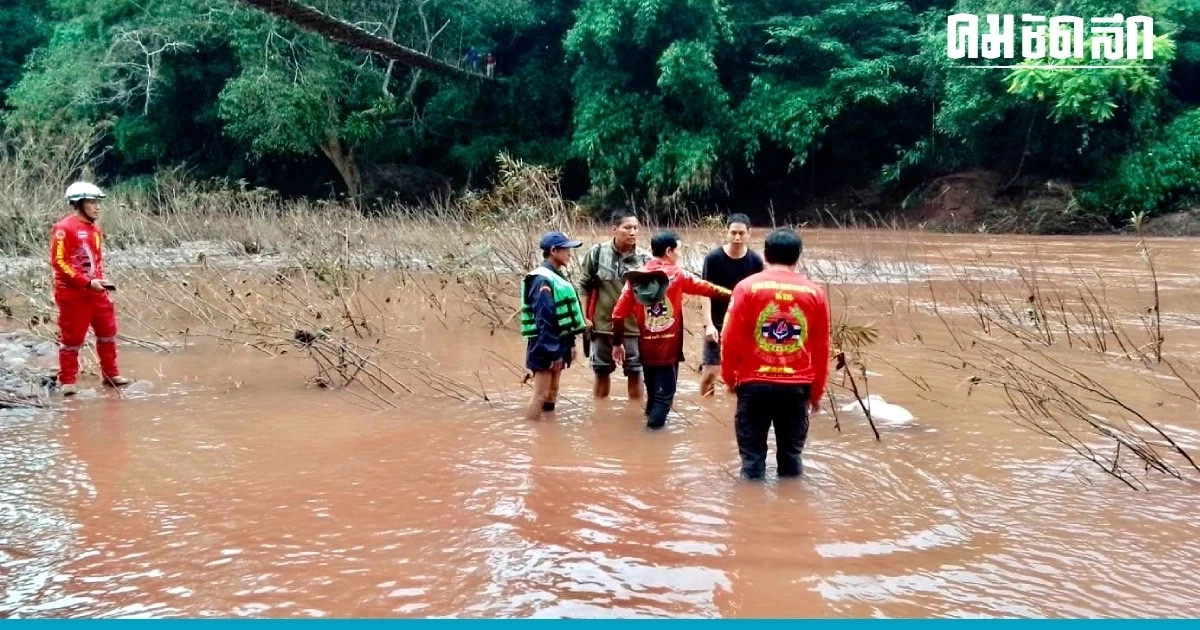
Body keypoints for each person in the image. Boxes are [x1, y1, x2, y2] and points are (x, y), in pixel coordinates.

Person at [720, 227, 830, 480]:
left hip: (753, 384)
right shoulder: (815, 293)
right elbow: (822, 347)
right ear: (798, 256)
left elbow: (729, 338)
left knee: (752, 460)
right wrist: (816, 392)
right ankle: (792, 511)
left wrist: (729, 378)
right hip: (796, 388)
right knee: (791, 459)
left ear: (765, 254)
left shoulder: (746, 288)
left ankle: (749, 514)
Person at [610, 231, 731, 429]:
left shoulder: (636, 278)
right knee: (664, 399)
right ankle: (651, 444)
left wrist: (617, 344)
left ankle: (645, 438)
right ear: (668, 251)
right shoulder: (677, 274)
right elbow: (709, 289)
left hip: (646, 349)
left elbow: (617, 314)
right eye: (679, 251)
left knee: (654, 397)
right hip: (668, 350)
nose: (679, 255)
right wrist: (736, 294)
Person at [50, 182, 133, 396]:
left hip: (97, 291)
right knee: (72, 338)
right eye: (92, 202)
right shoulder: (64, 228)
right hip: (72, 293)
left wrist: (100, 281)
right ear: (78, 204)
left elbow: (95, 260)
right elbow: (59, 262)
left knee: (107, 333)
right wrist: (86, 283)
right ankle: (68, 380)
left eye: (98, 203)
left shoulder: (95, 229)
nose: (97, 207)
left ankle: (110, 374)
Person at [575, 208, 651, 400]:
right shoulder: (597, 254)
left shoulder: (645, 259)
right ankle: (600, 418)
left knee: (635, 373)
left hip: (634, 329)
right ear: (614, 229)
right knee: (601, 372)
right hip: (602, 327)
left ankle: (634, 418)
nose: (633, 232)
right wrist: (584, 318)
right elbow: (583, 286)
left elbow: (654, 298)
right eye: (627, 228)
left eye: (636, 228)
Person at [520, 230, 587, 419]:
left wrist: (571, 343)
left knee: (552, 391)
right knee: (540, 395)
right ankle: (534, 436)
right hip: (545, 344)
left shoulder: (556, 276)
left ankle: (548, 435)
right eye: (566, 250)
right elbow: (544, 318)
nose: (570, 254)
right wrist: (553, 351)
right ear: (554, 251)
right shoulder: (541, 279)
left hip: (560, 341)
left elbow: (561, 316)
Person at [699, 213, 764, 397]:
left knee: (740, 375)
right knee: (711, 372)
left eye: (741, 233)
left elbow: (758, 295)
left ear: (749, 234)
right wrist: (708, 324)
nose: (737, 237)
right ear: (726, 233)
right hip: (717, 323)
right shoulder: (713, 258)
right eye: (733, 232)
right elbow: (705, 292)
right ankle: (706, 410)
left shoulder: (755, 261)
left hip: (742, 325)